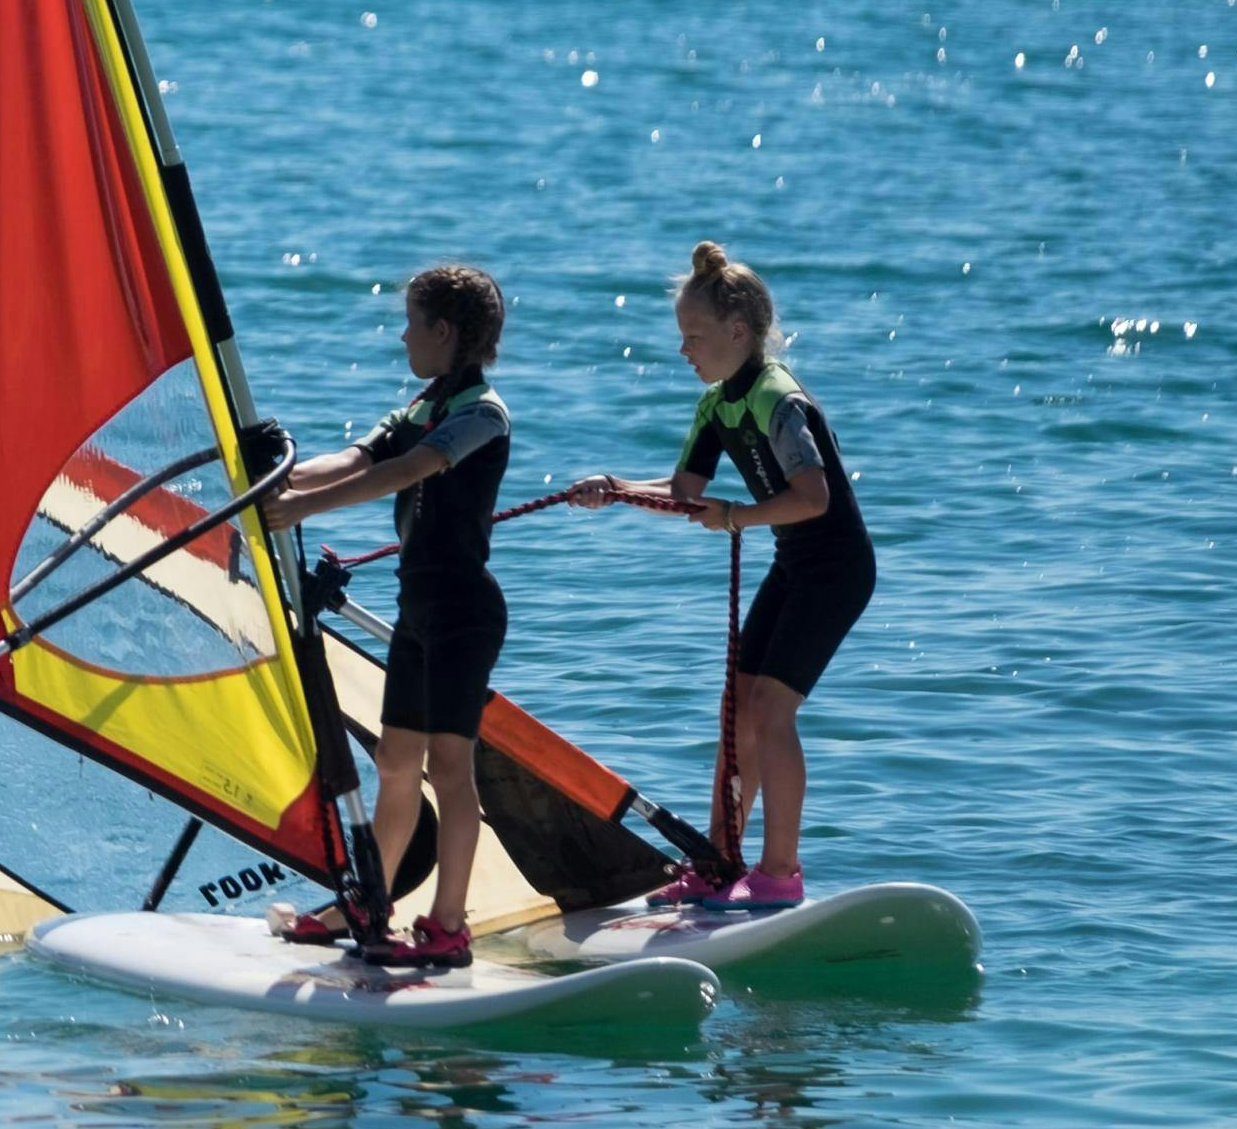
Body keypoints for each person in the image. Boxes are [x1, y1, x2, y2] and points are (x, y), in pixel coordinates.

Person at [571, 242, 876, 910]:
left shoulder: (777, 399)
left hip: (837, 570)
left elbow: (813, 498)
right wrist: (616, 489)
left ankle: (780, 873)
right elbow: (685, 491)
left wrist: (737, 515)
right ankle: (720, 863)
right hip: (794, 563)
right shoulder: (716, 404)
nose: (683, 350)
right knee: (737, 712)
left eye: (694, 336)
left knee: (771, 712)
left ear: (737, 332)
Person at [263, 264, 514, 966]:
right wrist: (276, 478)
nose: (403, 336)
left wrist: (304, 507)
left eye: (411, 324)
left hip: (464, 613)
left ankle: (448, 926)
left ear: (443, 332)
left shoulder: (481, 414)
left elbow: (407, 471)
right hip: (417, 610)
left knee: (449, 767)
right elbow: (357, 458)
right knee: (397, 762)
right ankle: (369, 904)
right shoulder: (422, 406)